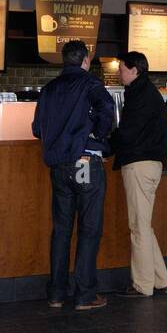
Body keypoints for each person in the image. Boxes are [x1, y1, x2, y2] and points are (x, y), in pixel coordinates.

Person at [32, 39, 116, 311]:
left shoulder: (48, 90)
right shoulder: (91, 85)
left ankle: (56, 293)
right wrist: (96, 135)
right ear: (86, 60)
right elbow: (108, 113)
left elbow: (36, 129)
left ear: (64, 60)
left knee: (62, 230)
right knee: (89, 229)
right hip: (84, 162)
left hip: (59, 167)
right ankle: (85, 294)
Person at [110, 51, 167, 298]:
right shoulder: (147, 92)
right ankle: (161, 280)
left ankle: (142, 285)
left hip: (139, 165)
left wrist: (105, 145)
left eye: (122, 69)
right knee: (144, 226)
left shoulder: (139, 96)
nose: (119, 73)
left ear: (135, 70)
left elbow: (127, 132)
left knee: (138, 227)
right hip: (150, 164)